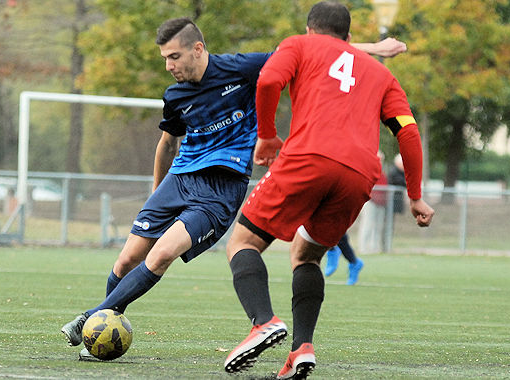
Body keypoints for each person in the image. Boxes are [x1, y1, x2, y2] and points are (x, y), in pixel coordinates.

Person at [60, 16, 408, 361]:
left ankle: (88, 319)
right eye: (164, 58)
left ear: (198, 49)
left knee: (162, 255)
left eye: (174, 57)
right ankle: (101, 330)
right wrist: (156, 193)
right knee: (126, 259)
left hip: (220, 189)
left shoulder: (240, 69)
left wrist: (374, 48)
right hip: (178, 180)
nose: (168, 66)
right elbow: (167, 144)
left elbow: (313, 51)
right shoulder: (175, 95)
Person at [223, 2, 435, 379]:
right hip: (359, 174)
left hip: (308, 157)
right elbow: (408, 131)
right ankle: (301, 347)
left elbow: (269, 81)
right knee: (306, 255)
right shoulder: (380, 75)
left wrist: (267, 136)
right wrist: (416, 195)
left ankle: (263, 322)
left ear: (309, 30)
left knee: (242, 242)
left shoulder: (298, 45)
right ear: (349, 38)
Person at [357, 150, 388, 253]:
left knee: (378, 227)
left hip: (380, 203)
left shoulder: (382, 173)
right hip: (370, 202)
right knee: (368, 224)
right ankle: (363, 248)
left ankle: (374, 248)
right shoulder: (368, 171)